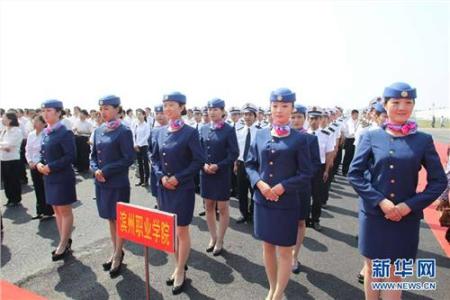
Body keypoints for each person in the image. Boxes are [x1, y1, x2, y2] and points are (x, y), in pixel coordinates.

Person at [348, 82, 447, 300]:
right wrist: (380, 201)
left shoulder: (423, 140)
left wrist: (409, 205)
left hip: (405, 218)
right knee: (373, 270)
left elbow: (439, 181)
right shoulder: (371, 136)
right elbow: (354, 174)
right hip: (374, 215)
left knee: (394, 274)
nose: (402, 107)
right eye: (396, 102)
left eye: (408, 102)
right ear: (385, 104)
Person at [245, 88, 312, 300]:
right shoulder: (260, 134)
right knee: (267, 248)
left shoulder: (300, 139)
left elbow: (306, 173)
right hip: (262, 201)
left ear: (292, 108)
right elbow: (250, 164)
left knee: (284, 252)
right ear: (270, 108)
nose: (279, 110)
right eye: (275, 106)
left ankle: (277, 294)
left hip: (286, 203)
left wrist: (283, 187)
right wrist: (260, 184)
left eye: (284, 106)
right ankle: (273, 288)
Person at [151, 91, 204, 295]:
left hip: (182, 189)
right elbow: (154, 157)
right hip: (165, 188)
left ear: (182, 107)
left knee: (181, 230)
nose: (168, 109)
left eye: (172, 105)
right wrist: (161, 177)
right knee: (170, 231)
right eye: (165, 105)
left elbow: (198, 160)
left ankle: (180, 270)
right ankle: (177, 264)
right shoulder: (159, 132)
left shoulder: (190, 132)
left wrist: (178, 178)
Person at [90, 95, 135, 277]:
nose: (103, 112)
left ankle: (118, 255)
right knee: (110, 218)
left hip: (116, 183)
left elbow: (128, 158)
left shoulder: (124, 131)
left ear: (117, 110)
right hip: (101, 182)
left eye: (107, 108)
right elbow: (92, 155)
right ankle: (116, 249)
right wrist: (95, 170)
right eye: (102, 109)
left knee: (119, 219)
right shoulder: (99, 130)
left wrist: (106, 170)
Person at [37, 99, 77, 261]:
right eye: (43, 111)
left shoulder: (64, 132)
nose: (45, 114)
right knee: (56, 210)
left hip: (61, 177)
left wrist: (51, 166)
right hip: (49, 177)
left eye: (49, 111)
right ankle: (64, 240)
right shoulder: (47, 133)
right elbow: (43, 153)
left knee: (64, 211)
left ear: (59, 113)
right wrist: (40, 163)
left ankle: (63, 243)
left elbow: (70, 156)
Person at [199, 98, 239, 256]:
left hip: (221, 174)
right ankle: (213, 237)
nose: (213, 112)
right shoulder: (202, 128)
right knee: (208, 206)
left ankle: (220, 239)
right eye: (210, 109)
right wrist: (203, 165)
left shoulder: (228, 130)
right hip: (205, 173)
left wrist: (219, 165)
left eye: (216, 109)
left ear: (222, 111)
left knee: (222, 208)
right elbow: (198, 151)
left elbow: (234, 153)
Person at [290, 104, 321, 273]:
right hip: (284, 189)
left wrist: (301, 176)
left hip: (301, 187)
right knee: (285, 222)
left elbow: (316, 164)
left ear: (305, 119)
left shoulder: (311, 139)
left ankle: (295, 256)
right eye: (293, 117)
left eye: (299, 117)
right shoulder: (281, 137)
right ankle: (285, 254)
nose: (295, 120)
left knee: (300, 222)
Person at [306, 110, 335, 231]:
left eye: (316, 119)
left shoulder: (326, 134)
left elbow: (329, 154)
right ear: (308, 119)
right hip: (305, 168)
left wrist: (326, 170)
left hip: (319, 168)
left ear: (320, 120)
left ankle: (315, 220)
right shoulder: (303, 134)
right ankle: (305, 218)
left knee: (317, 196)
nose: (313, 121)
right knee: (304, 195)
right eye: (311, 119)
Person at [25, 115, 54, 219]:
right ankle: (40, 210)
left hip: (43, 164)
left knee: (45, 187)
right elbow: (27, 149)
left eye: (37, 121)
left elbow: (46, 150)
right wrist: (30, 161)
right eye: (34, 121)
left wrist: (39, 162)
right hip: (33, 165)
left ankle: (48, 211)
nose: (34, 123)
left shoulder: (47, 134)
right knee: (37, 188)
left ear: (43, 123)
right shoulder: (31, 134)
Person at [235, 103, 260, 223]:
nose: (247, 117)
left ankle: (254, 214)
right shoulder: (239, 130)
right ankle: (244, 213)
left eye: (250, 114)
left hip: (255, 166)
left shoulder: (261, 132)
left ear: (255, 116)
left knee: (254, 190)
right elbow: (237, 149)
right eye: (245, 114)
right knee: (241, 191)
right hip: (241, 164)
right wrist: (235, 163)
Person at [0, 111, 23, 207]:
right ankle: (9, 198)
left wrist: (3, 146)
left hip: (13, 159)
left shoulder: (17, 131)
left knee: (14, 180)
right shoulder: (4, 130)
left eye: (4, 118)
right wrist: (3, 146)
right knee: (6, 180)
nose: (2, 120)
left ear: (10, 120)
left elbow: (9, 147)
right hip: (3, 158)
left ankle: (16, 199)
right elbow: (3, 144)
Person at [149, 104, 168, 207]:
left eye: (162, 113)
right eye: (157, 113)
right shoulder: (153, 131)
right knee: (156, 191)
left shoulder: (174, 129)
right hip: (155, 168)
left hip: (167, 169)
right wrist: (151, 158)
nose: (160, 116)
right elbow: (149, 149)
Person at [133, 109, 151, 187]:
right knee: (139, 164)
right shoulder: (136, 124)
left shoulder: (146, 125)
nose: (139, 116)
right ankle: (141, 180)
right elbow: (133, 135)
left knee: (145, 163)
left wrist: (139, 144)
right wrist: (135, 144)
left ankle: (146, 180)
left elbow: (147, 136)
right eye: (137, 114)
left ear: (144, 115)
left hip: (144, 146)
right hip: (137, 146)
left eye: (140, 114)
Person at [342, 109, 359, 176]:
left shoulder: (358, 122)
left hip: (353, 140)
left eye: (357, 115)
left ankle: (348, 170)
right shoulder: (347, 122)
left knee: (351, 156)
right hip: (348, 140)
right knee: (347, 156)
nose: (357, 116)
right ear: (352, 114)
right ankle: (344, 171)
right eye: (356, 115)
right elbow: (345, 131)